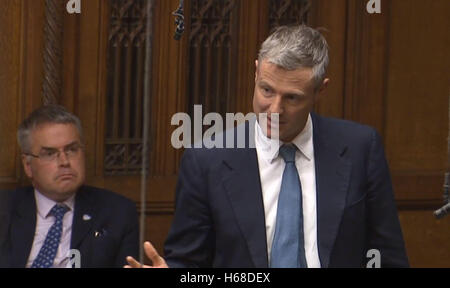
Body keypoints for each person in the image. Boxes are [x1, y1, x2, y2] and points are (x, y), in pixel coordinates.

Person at [126, 25, 409, 268]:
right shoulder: (207, 161)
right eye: (267, 90)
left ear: (320, 90)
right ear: (256, 72)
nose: (274, 109)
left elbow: (387, 256)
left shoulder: (360, 148)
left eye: (292, 98)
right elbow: (190, 263)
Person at [5, 105, 139, 268]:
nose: (64, 162)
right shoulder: (5, 210)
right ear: (28, 165)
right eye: (50, 153)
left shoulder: (118, 213)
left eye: (72, 150)